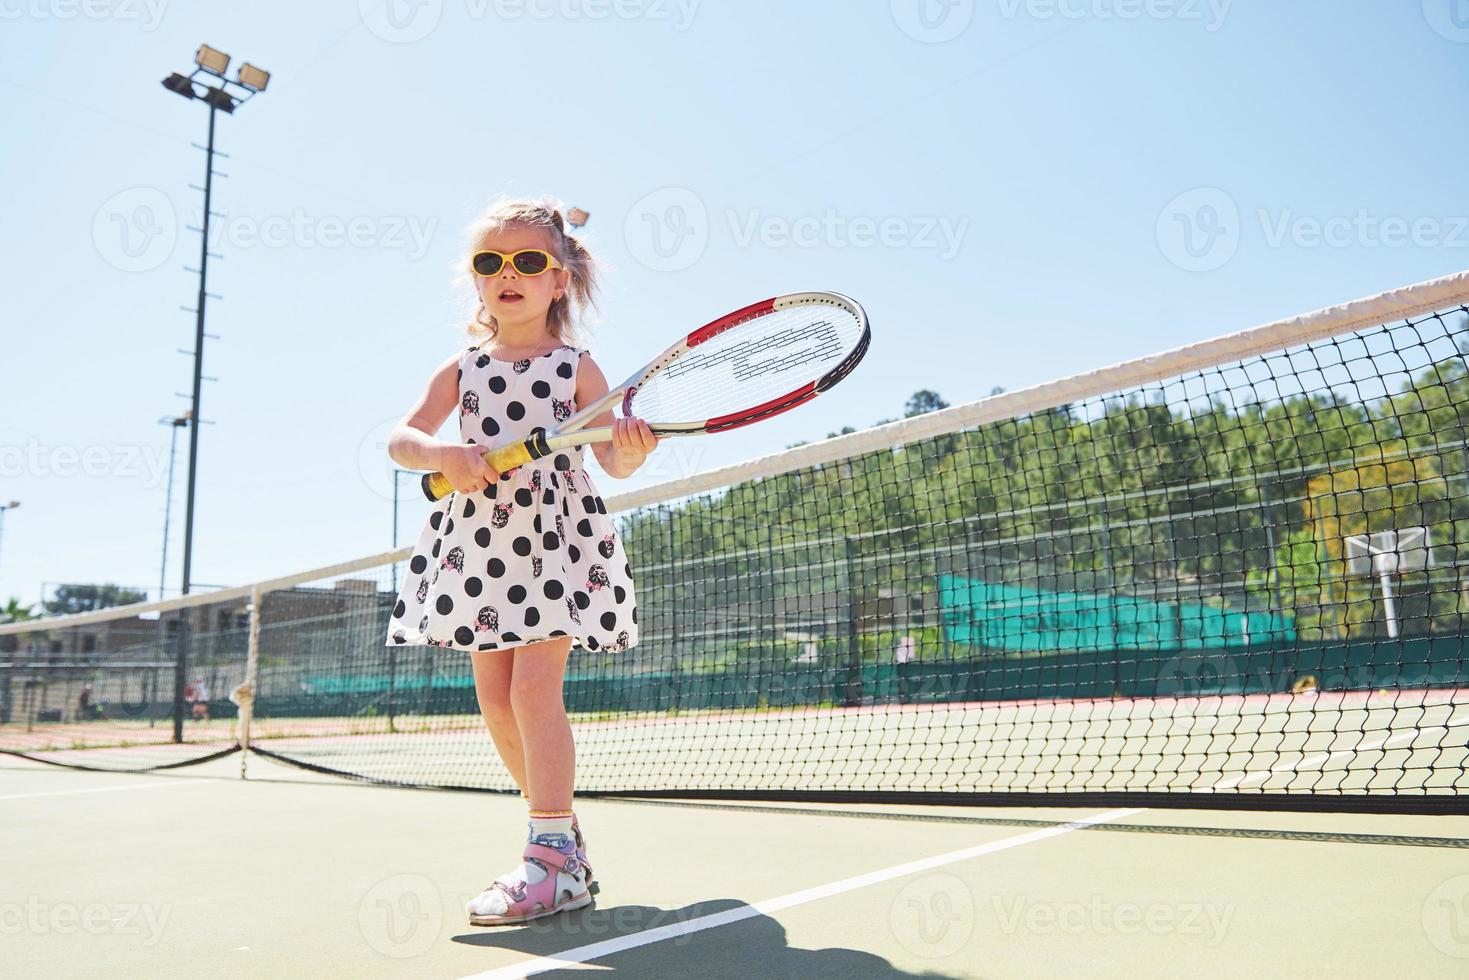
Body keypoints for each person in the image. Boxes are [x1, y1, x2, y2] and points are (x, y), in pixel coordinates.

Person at [385, 198, 657, 927]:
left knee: (535, 692)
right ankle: (559, 840)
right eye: (490, 262)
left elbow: (609, 456)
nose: (509, 274)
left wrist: (625, 451)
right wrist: (441, 451)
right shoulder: (462, 367)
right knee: (496, 699)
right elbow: (401, 438)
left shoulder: (577, 367)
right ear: (474, 281)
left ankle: (547, 856)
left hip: (550, 543)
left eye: (529, 261)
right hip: (478, 543)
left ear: (559, 280)